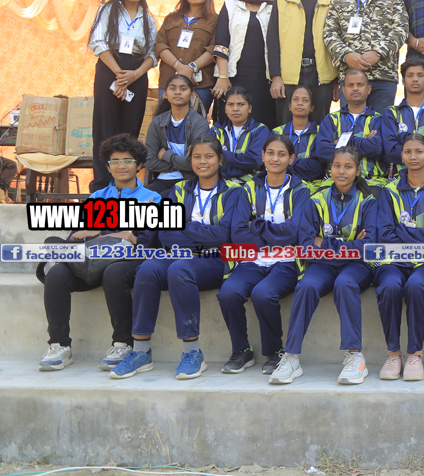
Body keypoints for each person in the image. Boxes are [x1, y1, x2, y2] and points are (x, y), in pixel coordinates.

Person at [111, 136, 242, 380]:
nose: (202, 162)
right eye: (196, 157)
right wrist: (202, 233)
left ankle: (192, 352)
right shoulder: (179, 190)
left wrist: (186, 226)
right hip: (180, 255)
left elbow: (225, 235)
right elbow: (166, 233)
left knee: (180, 269)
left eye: (209, 156)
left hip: (216, 260)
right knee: (148, 269)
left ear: (220, 160)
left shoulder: (235, 192)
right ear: (190, 160)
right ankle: (141, 351)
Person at [37, 134, 161, 372]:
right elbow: (75, 237)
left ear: (139, 165)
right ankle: (59, 345)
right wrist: (113, 234)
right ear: (108, 166)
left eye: (128, 160)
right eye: (115, 161)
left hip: (128, 262)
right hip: (92, 261)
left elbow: (142, 242)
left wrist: (100, 231)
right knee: (56, 274)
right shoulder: (96, 198)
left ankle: (123, 343)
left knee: (113, 273)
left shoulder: (151, 199)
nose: (121, 166)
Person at [269, 145, 377, 385]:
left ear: (357, 171)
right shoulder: (316, 199)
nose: (342, 171)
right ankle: (291, 357)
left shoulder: (368, 201)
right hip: (322, 264)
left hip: (356, 266)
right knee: (306, 285)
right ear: (330, 169)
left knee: (345, 283)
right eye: (337, 166)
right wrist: (346, 246)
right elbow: (306, 243)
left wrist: (325, 244)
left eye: (348, 167)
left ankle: (355, 357)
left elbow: (368, 246)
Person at [216, 134, 309, 375]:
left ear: (291, 159)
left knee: (263, 293)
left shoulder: (300, 190)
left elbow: (294, 232)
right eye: (270, 153)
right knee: (228, 292)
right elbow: (238, 233)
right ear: (262, 156)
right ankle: (241, 350)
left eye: (281, 154)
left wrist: (255, 225)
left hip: (286, 261)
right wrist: (276, 233)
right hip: (252, 259)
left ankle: (275, 351)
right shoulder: (248, 189)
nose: (275, 158)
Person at [373, 133, 424, 381]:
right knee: (389, 285)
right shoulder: (389, 191)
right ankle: (393, 354)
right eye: (408, 152)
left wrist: (402, 230)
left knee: (416, 286)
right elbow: (385, 234)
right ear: (401, 156)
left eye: (419, 151)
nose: (413, 156)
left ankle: (414, 355)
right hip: (393, 259)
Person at [88, 0, 158, 191]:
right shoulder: (107, 10)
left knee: (130, 130)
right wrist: (120, 75)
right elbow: (98, 42)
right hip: (110, 67)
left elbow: (152, 54)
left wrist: (134, 75)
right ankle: (102, 186)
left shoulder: (148, 19)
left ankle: (125, 186)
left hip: (137, 72)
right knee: (105, 127)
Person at [324, 0, 409, 114]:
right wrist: (347, 55)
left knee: (380, 125)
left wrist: (378, 53)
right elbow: (329, 34)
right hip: (350, 78)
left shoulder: (393, 0)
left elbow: (401, 29)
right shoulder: (338, 3)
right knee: (351, 125)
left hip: (383, 77)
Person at [268, 0, 336, 125]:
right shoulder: (282, 0)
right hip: (289, 74)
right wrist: (276, 77)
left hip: (322, 76)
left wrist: (335, 81)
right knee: (285, 125)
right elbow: (272, 41)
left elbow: (335, 43)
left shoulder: (330, 5)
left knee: (320, 125)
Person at [213, 0, 278, 129]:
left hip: (265, 79)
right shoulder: (230, 6)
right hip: (234, 76)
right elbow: (221, 43)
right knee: (233, 120)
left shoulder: (274, 7)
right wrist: (223, 77)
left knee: (263, 122)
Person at [154, 0, 216, 112]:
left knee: (195, 123)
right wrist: (179, 67)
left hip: (200, 85)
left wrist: (190, 68)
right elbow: (160, 44)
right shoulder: (171, 18)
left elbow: (214, 49)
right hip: (169, 81)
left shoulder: (215, 20)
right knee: (165, 121)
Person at [314, 69, 387, 188]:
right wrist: (364, 144)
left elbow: (376, 148)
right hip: (334, 182)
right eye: (350, 85)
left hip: (371, 181)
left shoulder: (379, 120)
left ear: (368, 89)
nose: (355, 88)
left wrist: (342, 143)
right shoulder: (330, 119)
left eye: (360, 84)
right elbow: (322, 151)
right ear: (343, 90)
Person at [143, 74, 211, 195]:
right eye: (172, 88)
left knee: (166, 199)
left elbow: (197, 163)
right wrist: (182, 163)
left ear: (192, 95)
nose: (177, 92)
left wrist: (166, 155)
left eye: (183, 88)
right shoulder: (157, 122)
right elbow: (149, 161)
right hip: (162, 179)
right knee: (140, 199)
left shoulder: (199, 124)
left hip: (189, 180)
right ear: (165, 94)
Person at [382, 57, 424, 179]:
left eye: (420, 75)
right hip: (399, 180)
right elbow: (391, 151)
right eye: (410, 75)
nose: (415, 79)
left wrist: (402, 137)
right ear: (403, 81)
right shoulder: (391, 113)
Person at [211, 86, 270, 182]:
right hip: (220, 184)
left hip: (249, 184)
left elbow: (254, 161)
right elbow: (208, 159)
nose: (235, 109)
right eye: (230, 104)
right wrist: (241, 164)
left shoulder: (260, 130)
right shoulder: (216, 130)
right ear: (225, 109)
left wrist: (222, 155)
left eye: (241, 104)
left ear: (250, 108)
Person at [272, 85, 322, 181]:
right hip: (282, 184)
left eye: (305, 100)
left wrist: (289, 161)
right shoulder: (277, 132)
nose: (300, 103)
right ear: (290, 106)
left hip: (312, 186)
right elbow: (272, 164)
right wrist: (302, 165)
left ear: (312, 107)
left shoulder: (320, 132)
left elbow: (316, 167)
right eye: (295, 99)